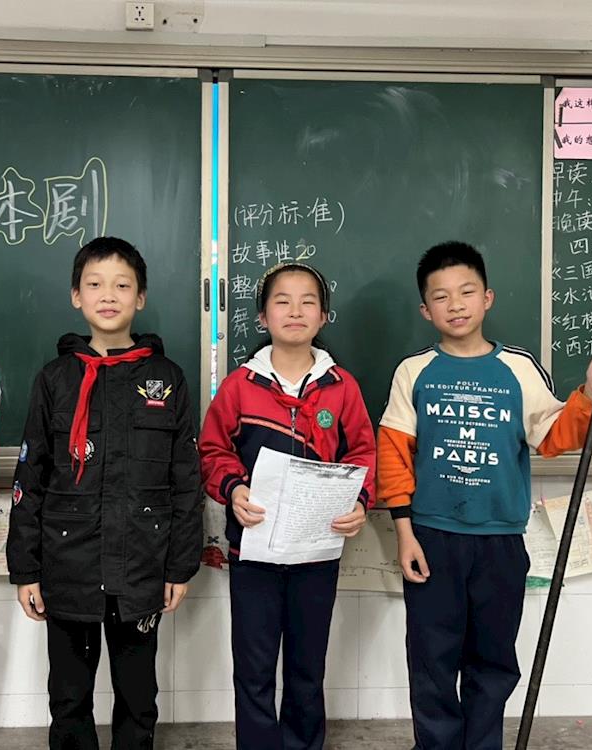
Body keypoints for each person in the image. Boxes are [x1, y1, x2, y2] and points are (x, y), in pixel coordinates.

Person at [377, 240, 592, 749]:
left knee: (492, 661)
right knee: (432, 661)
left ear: (487, 298)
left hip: (500, 542)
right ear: (426, 310)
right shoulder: (414, 371)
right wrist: (404, 532)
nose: (456, 304)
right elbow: (393, 455)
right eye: (441, 296)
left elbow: (556, 437)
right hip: (432, 537)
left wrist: (589, 392)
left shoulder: (518, 368)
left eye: (467, 291)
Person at [7, 236, 202, 749]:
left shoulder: (166, 379)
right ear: (77, 296)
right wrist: (26, 569)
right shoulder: (55, 379)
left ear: (141, 297)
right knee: (68, 696)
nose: (108, 295)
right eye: (94, 284)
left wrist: (180, 566)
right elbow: (29, 477)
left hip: (142, 565)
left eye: (122, 285)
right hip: (68, 564)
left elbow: (186, 479)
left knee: (138, 696)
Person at [199, 261, 376, 750]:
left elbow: (364, 452)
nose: (295, 311)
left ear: (323, 316)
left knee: (306, 668)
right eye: (282, 301)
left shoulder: (341, 387)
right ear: (262, 317)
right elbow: (212, 450)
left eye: (308, 302)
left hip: (317, 553)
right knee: (253, 668)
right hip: (253, 553)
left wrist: (360, 502)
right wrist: (234, 489)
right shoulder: (239, 385)